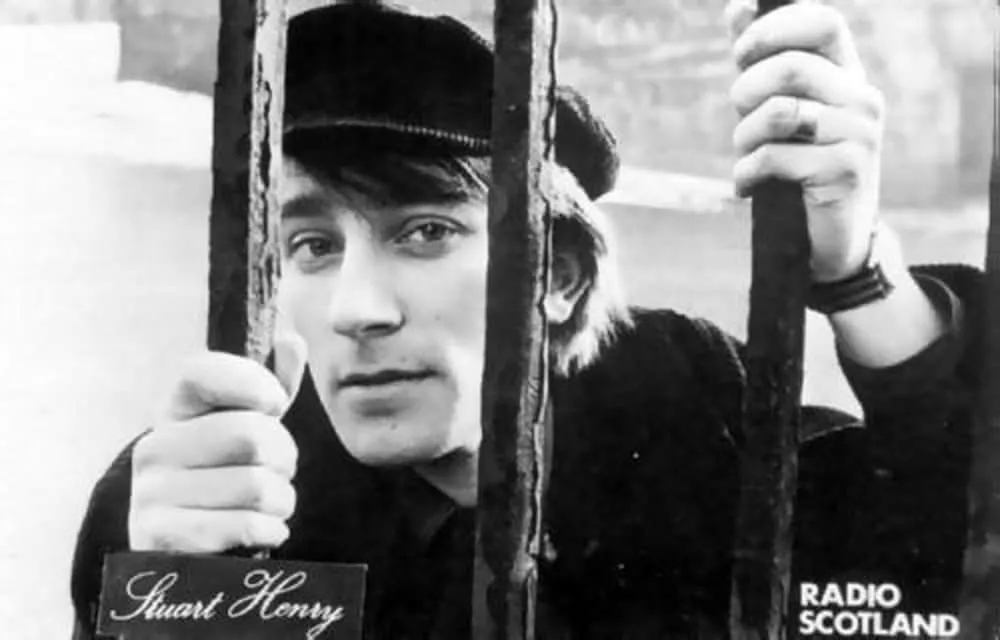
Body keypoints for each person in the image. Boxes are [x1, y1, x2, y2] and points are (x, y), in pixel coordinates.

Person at [70, 1, 981, 637]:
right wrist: (167, 601)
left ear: (561, 273)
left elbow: (935, 565)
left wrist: (856, 275)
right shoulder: (205, 487)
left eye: (426, 232)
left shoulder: (687, 407)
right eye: (312, 246)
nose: (357, 310)